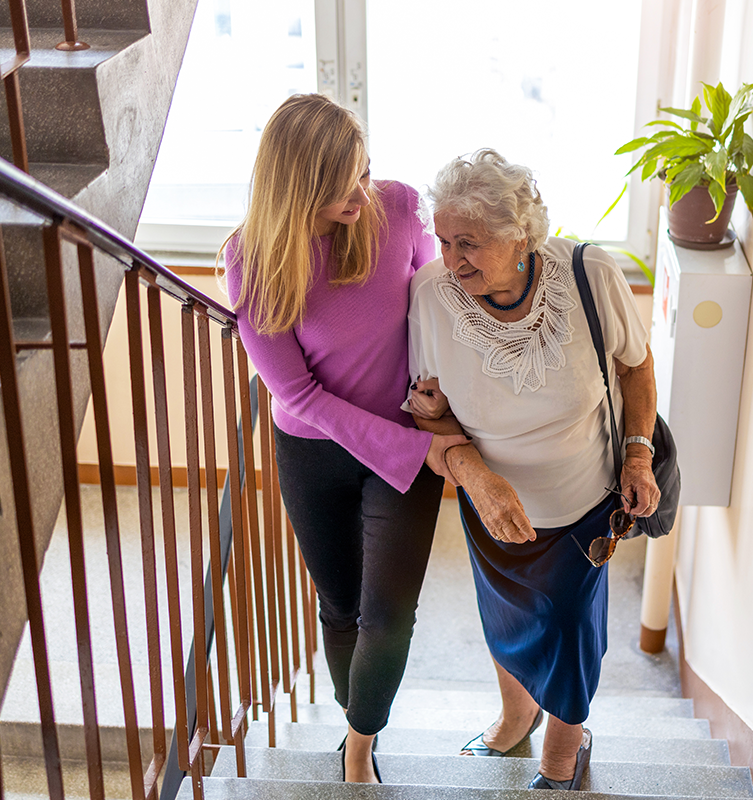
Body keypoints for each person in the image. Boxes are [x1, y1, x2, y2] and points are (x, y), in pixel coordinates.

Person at [224, 94, 467, 784]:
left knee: (388, 614)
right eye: (344, 185)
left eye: (365, 172)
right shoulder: (252, 260)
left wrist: (436, 394)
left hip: (403, 439)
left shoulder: (395, 207)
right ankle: (355, 715)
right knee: (340, 608)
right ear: (299, 185)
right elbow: (297, 394)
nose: (363, 192)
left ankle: (359, 745)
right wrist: (417, 451)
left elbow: (434, 300)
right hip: (315, 452)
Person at [406, 149, 660, 791]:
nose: (451, 258)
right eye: (443, 240)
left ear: (521, 234)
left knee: (572, 628)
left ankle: (561, 753)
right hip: (490, 504)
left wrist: (637, 452)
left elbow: (635, 366)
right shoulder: (431, 296)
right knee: (509, 618)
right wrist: (474, 475)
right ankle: (516, 715)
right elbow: (428, 410)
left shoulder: (589, 273)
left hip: (585, 506)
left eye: (469, 241)